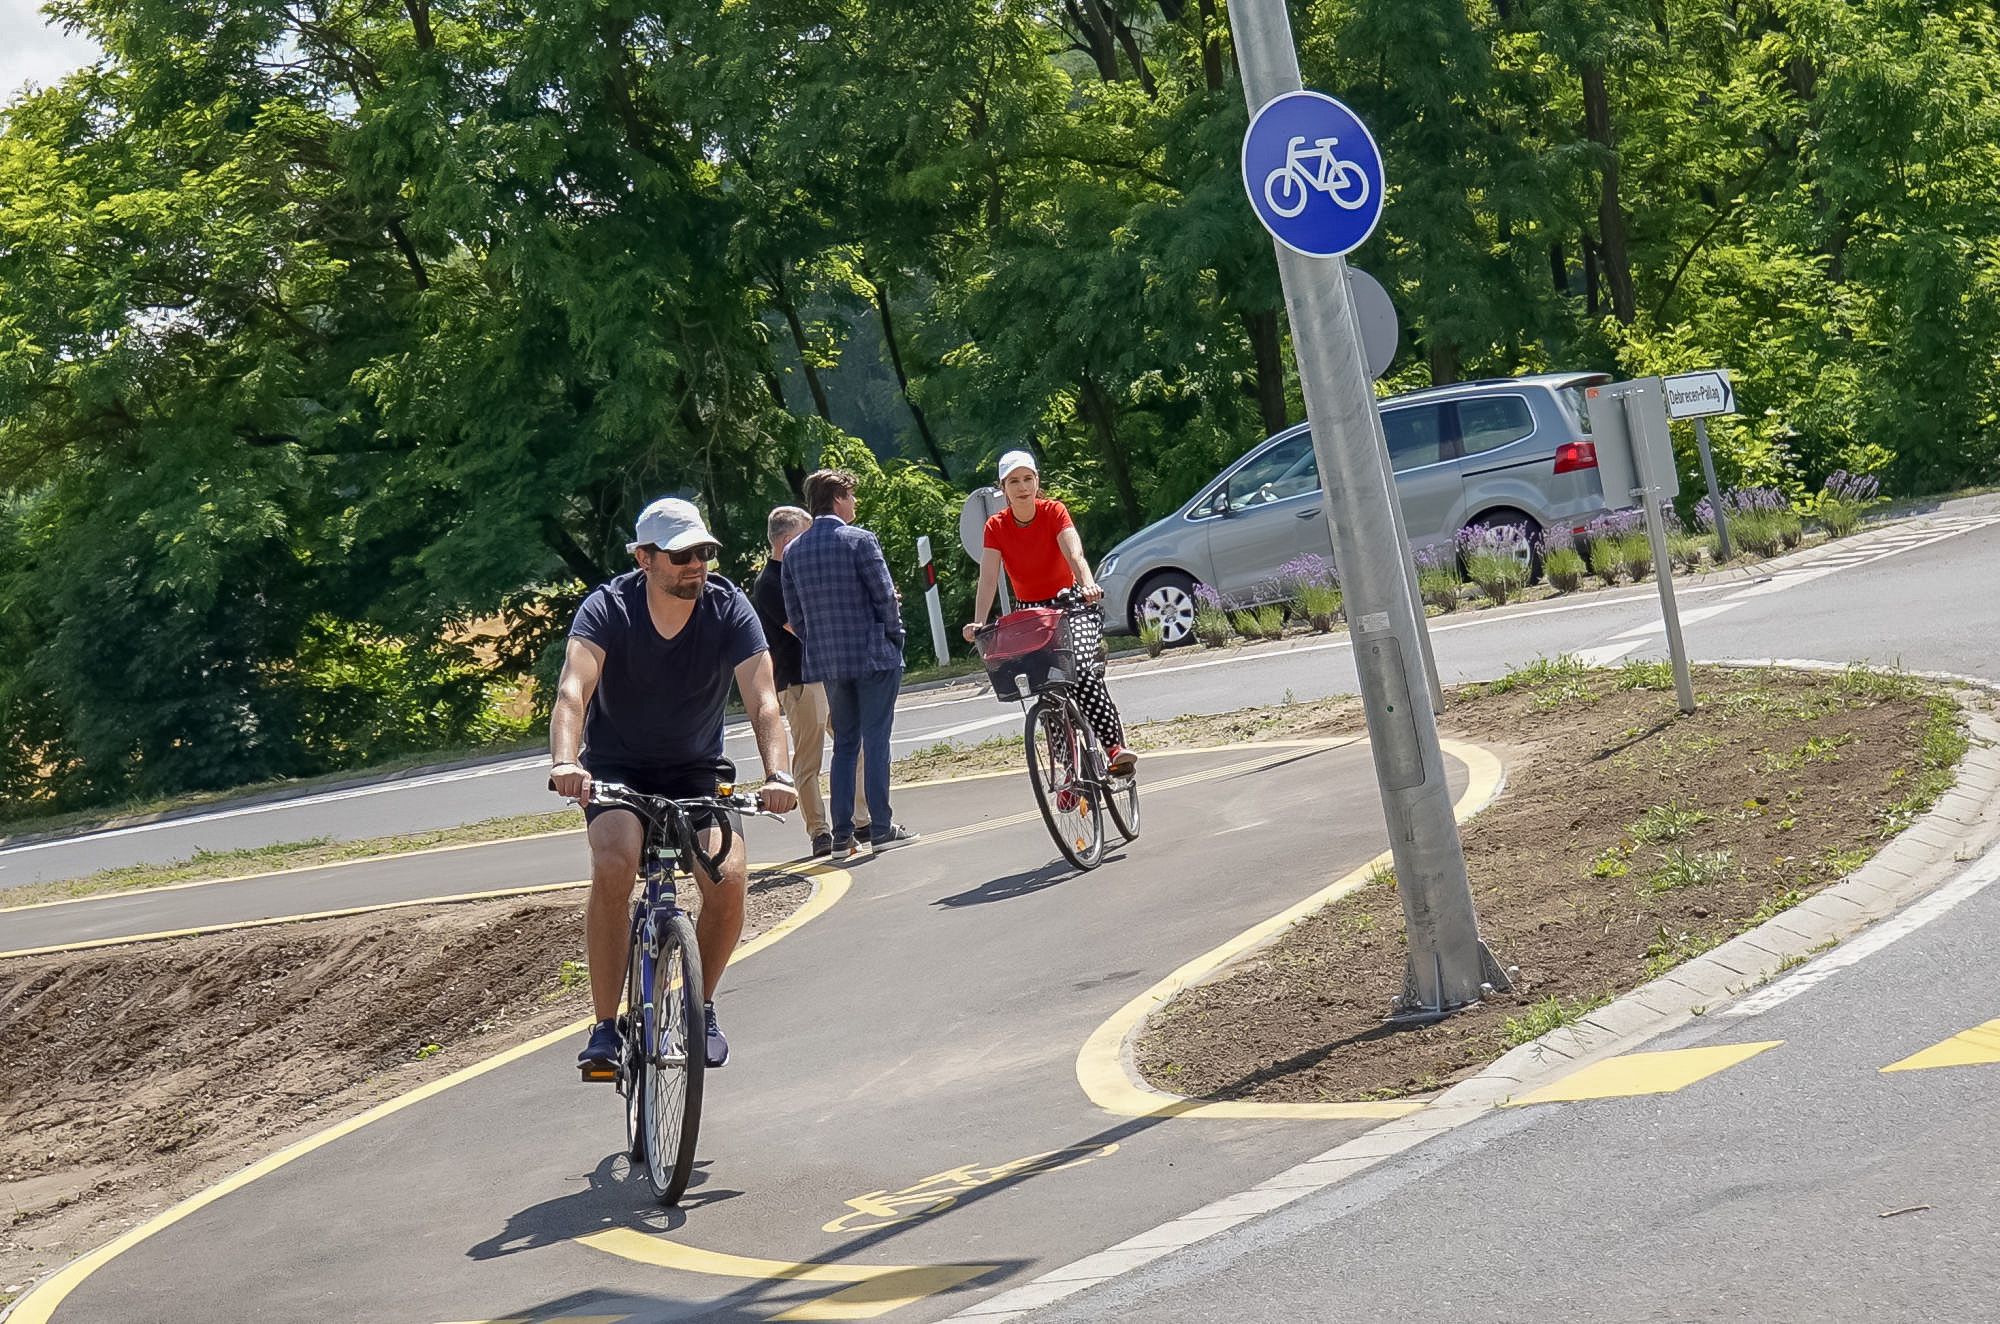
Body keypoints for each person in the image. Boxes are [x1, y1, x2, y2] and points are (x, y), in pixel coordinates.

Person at [549, 496, 799, 1076]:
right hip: (615, 769)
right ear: (644, 557)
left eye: (705, 553)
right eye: (682, 554)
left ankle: (699, 1007)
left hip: (696, 771)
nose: (696, 565)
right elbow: (571, 692)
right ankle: (605, 1028)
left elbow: (764, 702)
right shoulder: (608, 609)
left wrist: (779, 774)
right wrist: (566, 762)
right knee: (614, 862)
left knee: (730, 876)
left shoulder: (728, 606)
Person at [963, 450, 1136, 777]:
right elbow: (987, 579)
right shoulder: (995, 527)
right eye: (1014, 481)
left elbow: (1075, 553)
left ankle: (1114, 748)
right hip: (1031, 614)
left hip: (1071, 603)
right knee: (1045, 686)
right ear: (1003, 488)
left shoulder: (1054, 511)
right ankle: (1068, 771)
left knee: (1082, 669)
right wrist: (979, 621)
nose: (1022, 486)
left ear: (1037, 481)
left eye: (1028, 478)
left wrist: (1087, 584)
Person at [781, 468, 920, 859]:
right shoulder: (860, 540)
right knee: (877, 739)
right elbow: (884, 597)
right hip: (873, 653)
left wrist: (820, 644)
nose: (855, 502)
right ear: (838, 497)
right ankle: (880, 826)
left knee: (845, 744)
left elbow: (796, 615)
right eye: (851, 495)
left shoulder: (794, 552)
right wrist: (896, 635)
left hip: (829, 661)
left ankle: (842, 836)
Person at [750, 504, 869, 857]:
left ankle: (861, 820)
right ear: (787, 541)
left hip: (824, 672)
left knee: (853, 745)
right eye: (805, 536)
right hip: (799, 680)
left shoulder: (796, 573)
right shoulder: (770, 581)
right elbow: (799, 628)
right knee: (808, 760)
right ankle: (819, 831)